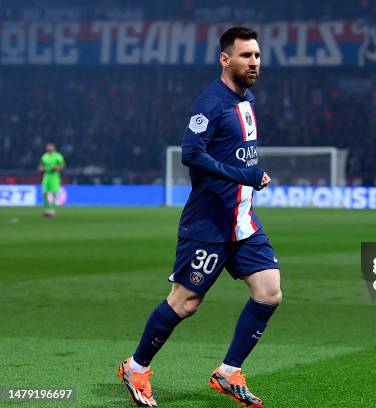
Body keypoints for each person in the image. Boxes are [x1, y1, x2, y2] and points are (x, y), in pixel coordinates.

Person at [117, 27, 281, 408]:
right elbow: (190, 153)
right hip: (208, 224)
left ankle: (228, 372)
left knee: (269, 293)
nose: (254, 62)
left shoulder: (246, 99)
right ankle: (136, 367)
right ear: (226, 59)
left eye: (257, 55)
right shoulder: (210, 103)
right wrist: (247, 176)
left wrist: (248, 176)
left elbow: (236, 153)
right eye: (246, 56)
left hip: (242, 221)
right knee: (185, 303)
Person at [38, 143, 65, 217]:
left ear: (54, 147)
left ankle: (52, 210)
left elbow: (62, 165)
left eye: (50, 147)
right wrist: (40, 169)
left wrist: (57, 168)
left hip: (54, 176)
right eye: (47, 147)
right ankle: (46, 209)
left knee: (54, 193)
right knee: (45, 193)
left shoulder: (58, 156)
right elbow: (41, 165)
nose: (48, 148)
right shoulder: (44, 156)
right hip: (46, 176)